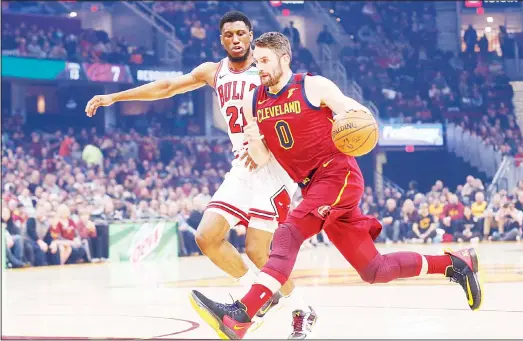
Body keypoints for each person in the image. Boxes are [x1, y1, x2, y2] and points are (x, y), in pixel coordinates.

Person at [189, 32, 483, 340]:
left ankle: (241, 315)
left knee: (289, 232)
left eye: (264, 61)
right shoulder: (255, 100)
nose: (259, 67)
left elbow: (355, 113)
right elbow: (263, 156)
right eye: (256, 61)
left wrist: (356, 117)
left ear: (284, 59)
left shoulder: (312, 85)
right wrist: (252, 140)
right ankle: (455, 264)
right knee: (375, 270)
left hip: (338, 174)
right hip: (312, 185)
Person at [84, 11, 312, 335]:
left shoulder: (267, 69)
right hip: (242, 167)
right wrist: (115, 96)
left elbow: (296, 110)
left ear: (251, 36)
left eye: (241, 33)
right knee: (206, 237)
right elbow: (166, 87)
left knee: (257, 250)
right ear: (221, 39)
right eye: (229, 34)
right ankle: (259, 296)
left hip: (272, 168)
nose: (235, 39)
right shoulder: (212, 71)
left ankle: (302, 308)